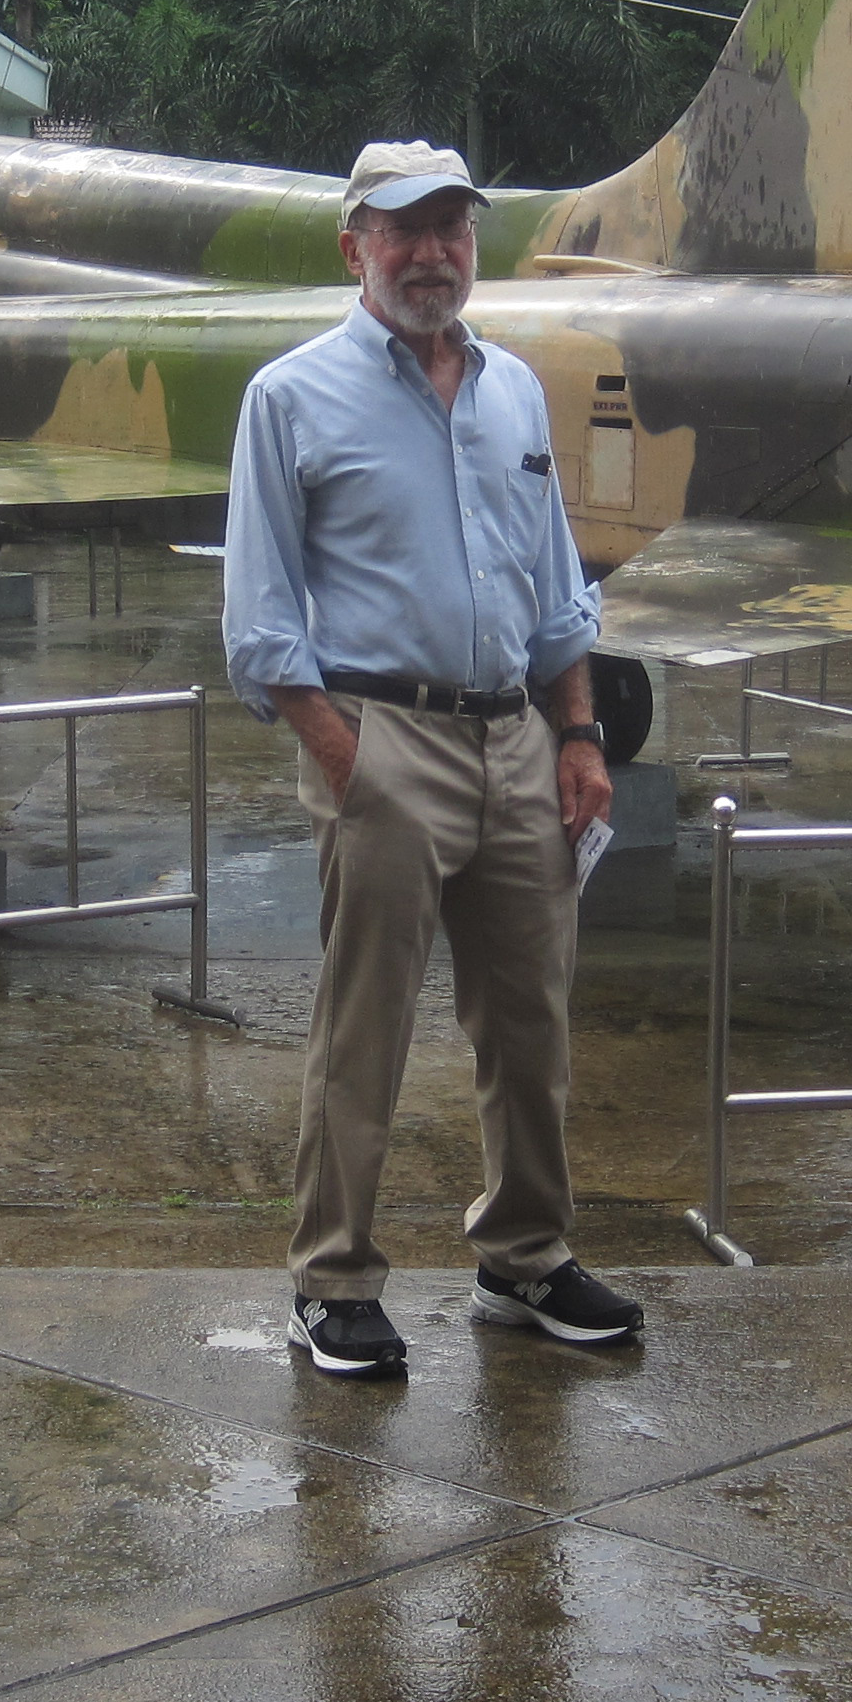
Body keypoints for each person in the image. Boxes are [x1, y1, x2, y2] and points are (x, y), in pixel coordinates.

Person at [222, 139, 642, 1376]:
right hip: (381, 736)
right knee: (366, 1030)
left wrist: (578, 733)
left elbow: (558, 594)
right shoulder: (291, 397)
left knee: (531, 1023)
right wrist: (347, 755)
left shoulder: (513, 390)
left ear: (473, 243)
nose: (430, 253)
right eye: (402, 230)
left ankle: (525, 1256)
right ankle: (333, 1276)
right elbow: (261, 617)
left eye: (450, 228)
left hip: (518, 733)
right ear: (354, 243)